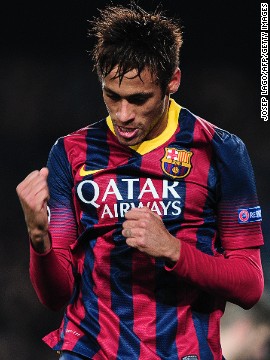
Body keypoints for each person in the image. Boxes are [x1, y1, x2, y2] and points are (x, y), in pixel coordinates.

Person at [16, 3, 264, 360]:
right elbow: (56, 296)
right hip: (89, 351)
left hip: (184, 352)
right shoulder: (71, 152)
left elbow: (250, 285)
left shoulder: (220, 151)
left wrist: (173, 250)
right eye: (111, 96)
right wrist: (39, 241)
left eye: (139, 99)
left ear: (172, 81)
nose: (123, 115)